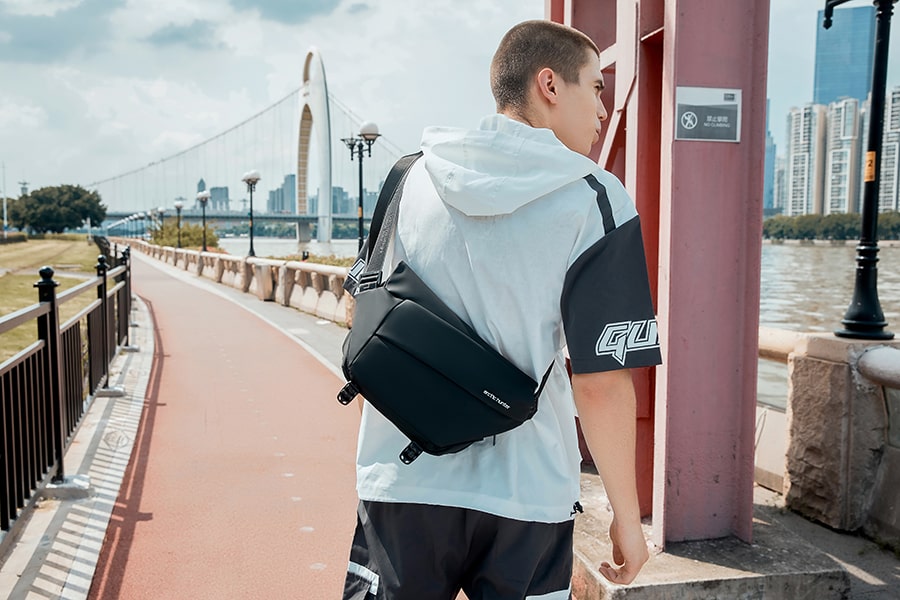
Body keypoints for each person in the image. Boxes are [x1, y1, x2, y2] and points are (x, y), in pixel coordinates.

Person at [343, 19, 662, 600]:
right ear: (550, 84)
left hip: (403, 478)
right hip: (528, 491)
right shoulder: (594, 199)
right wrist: (626, 514)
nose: (602, 110)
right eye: (596, 87)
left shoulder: (407, 177)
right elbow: (601, 381)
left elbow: (363, 316)